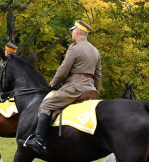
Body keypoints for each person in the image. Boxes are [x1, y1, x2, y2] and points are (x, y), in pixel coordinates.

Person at [24, 20, 101, 154]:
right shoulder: (95, 51)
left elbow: (63, 70)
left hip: (75, 88)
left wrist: (52, 84)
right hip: (90, 88)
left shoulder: (74, 48)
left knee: (46, 105)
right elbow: (98, 75)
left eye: (72, 31)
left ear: (77, 31)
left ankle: (38, 141)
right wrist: (96, 91)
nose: (72, 33)